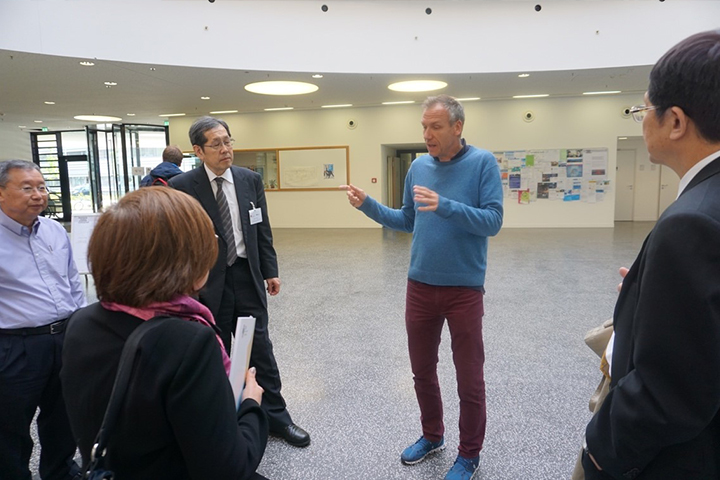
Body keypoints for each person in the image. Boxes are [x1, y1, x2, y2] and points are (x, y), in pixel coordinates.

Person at [340, 95, 503, 480]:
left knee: (469, 378)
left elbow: (493, 221)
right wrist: (368, 205)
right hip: (420, 287)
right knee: (422, 371)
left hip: (464, 290)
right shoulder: (418, 167)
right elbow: (407, 220)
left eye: (436, 126)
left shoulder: (482, 163)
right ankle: (432, 435)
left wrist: (446, 206)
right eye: (424, 127)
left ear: (457, 127)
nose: (427, 134)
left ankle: (469, 454)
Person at [583, 29, 720, 480]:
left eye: (644, 110)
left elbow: (671, 389)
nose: (641, 121)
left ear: (675, 121)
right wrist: (655, 292)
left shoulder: (691, 223)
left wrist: (599, 451)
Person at [60, 187, 269, 479]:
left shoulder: (81, 323)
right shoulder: (188, 343)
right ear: (184, 262)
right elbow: (229, 468)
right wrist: (251, 405)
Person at [169, 116, 310, 448]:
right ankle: (224, 419)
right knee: (213, 350)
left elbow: (262, 229)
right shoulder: (181, 187)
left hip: (247, 275)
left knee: (260, 348)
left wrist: (270, 270)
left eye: (228, 141)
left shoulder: (250, 180)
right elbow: (179, 241)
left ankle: (277, 417)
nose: (225, 149)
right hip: (206, 283)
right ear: (198, 151)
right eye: (216, 144)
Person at [0, 160, 84, 480]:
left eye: (42, 187)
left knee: (64, 415)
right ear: (1, 193)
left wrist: (80, 326)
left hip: (64, 337)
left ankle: (59, 471)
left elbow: (72, 281)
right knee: (10, 423)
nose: (38, 195)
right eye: (27, 188)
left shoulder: (53, 229)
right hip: (15, 345)